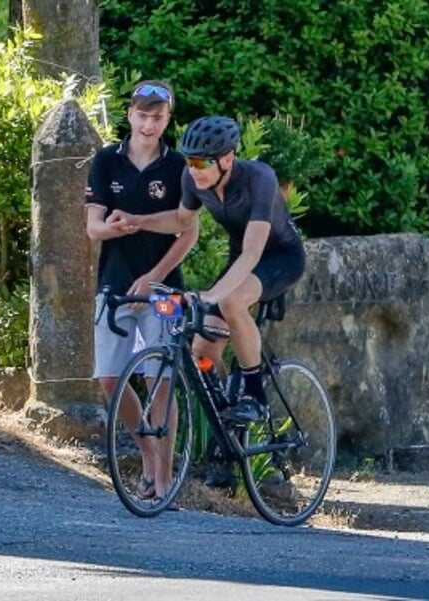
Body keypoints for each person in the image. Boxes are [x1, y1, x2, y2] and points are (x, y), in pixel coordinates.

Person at [108, 115, 306, 426]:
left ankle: (255, 396)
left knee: (231, 301)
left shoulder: (259, 178)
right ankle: (229, 417)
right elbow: (181, 220)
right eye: (189, 162)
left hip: (279, 257)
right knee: (203, 348)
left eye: (202, 164)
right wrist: (139, 220)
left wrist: (212, 294)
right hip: (241, 260)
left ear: (227, 159)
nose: (193, 170)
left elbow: (254, 252)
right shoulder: (194, 179)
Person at [85, 81, 198, 502]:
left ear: (167, 120)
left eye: (158, 117)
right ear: (130, 115)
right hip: (114, 282)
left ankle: (163, 480)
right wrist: (111, 227)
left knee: (161, 380)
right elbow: (92, 226)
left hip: (164, 287)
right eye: (143, 115)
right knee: (111, 379)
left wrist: (156, 274)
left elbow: (188, 233)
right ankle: (148, 453)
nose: (150, 123)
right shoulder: (106, 161)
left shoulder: (179, 168)